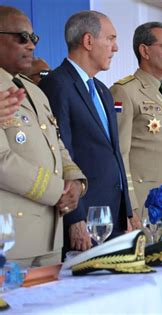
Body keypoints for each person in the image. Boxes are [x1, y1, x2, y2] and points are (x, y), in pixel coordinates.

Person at [39, 10, 132, 253]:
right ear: (88, 41)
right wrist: (74, 217)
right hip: (84, 218)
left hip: (113, 215)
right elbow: (61, 154)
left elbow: (114, 152)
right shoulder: (57, 85)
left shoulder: (102, 90)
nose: (116, 48)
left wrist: (128, 212)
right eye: (110, 39)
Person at [0, 6, 86, 267]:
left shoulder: (34, 91)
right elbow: (2, 162)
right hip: (12, 236)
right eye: (21, 37)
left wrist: (75, 182)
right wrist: (57, 190)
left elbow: (56, 145)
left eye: (33, 39)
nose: (31, 46)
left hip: (50, 234)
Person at [110, 22, 162, 222]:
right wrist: (130, 206)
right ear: (144, 50)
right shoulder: (125, 91)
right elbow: (120, 154)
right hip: (145, 207)